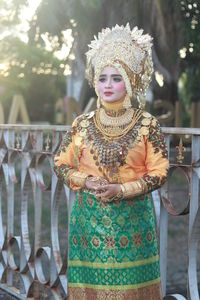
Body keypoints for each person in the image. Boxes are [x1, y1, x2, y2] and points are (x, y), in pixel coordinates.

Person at [54, 24, 169, 300]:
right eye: (102, 77)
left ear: (129, 81)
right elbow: (60, 163)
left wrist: (122, 190)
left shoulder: (146, 124)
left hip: (133, 227)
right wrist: (85, 180)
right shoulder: (81, 124)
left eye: (116, 78)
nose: (107, 85)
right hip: (87, 227)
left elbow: (160, 171)